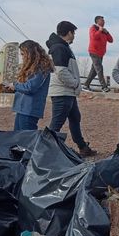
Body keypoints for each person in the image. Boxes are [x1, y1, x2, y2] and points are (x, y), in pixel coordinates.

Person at [47, 21, 97, 157]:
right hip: (63, 91)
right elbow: (61, 71)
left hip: (67, 91)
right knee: (56, 124)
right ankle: (44, 151)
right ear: (69, 32)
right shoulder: (59, 47)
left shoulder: (62, 47)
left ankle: (82, 147)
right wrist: (75, 83)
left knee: (75, 117)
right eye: (73, 33)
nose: (74, 35)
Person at [10, 40, 53, 130]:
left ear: (29, 54)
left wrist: (15, 85)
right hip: (23, 109)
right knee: (18, 137)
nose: (22, 57)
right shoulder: (35, 67)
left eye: (22, 54)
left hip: (29, 109)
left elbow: (30, 88)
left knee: (27, 139)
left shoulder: (41, 67)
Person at [84, 15, 113, 92]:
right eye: (102, 20)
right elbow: (94, 37)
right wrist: (100, 30)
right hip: (94, 51)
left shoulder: (104, 31)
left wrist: (107, 32)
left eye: (104, 21)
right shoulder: (93, 28)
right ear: (97, 21)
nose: (103, 22)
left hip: (101, 53)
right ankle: (104, 87)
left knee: (94, 71)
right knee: (99, 68)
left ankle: (86, 85)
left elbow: (111, 40)